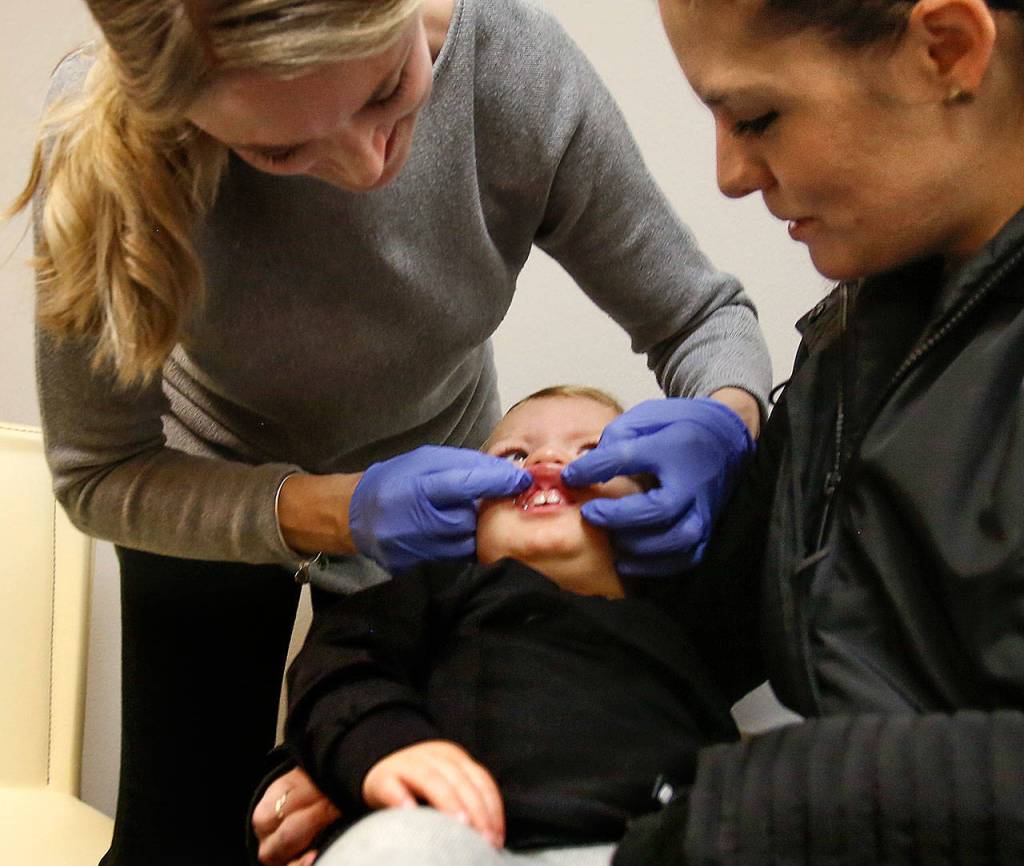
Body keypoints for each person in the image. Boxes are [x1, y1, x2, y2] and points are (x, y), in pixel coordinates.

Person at [7, 0, 770, 863]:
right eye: (280, 150)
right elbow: (99, 475)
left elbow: (702, 319)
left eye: (386, 92)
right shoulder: (105, 143)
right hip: (197, 490)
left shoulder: (512, 72)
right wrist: (343, 518)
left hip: (427, 499)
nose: (368, 166)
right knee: (180, 834)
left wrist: (726, 421)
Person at [608, 0, 1024, 861]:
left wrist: (769, 804)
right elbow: (675, 641)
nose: (729, 173)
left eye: (758, 117)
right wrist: (391, 724)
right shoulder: (858, 343)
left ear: (947, 50)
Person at [266, 386, 740, 866]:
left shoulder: (684, 616)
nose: (549, 457)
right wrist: (379, 748)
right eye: (515, 454)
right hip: (462, 839)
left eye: (595, 451)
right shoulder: (440, 592)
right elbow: (338, 664)